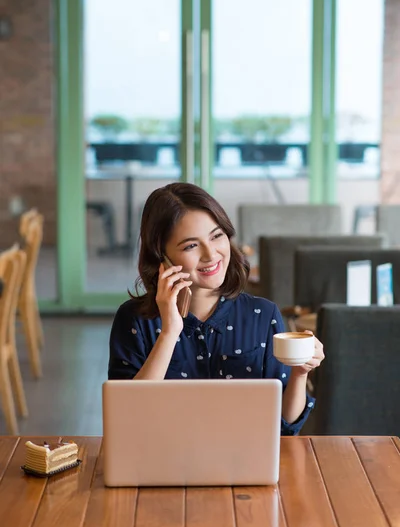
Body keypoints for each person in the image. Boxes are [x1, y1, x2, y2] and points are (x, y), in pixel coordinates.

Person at [109, 182, 324, 435]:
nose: (211, 254)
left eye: (216, 236)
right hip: (162, 465)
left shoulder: (263, 315)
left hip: (248, 464)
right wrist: (169, 332)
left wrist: (299, 373)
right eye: (191, 246)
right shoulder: (134, 320)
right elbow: (129, 419)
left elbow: (285, 426)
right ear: (162, 258)